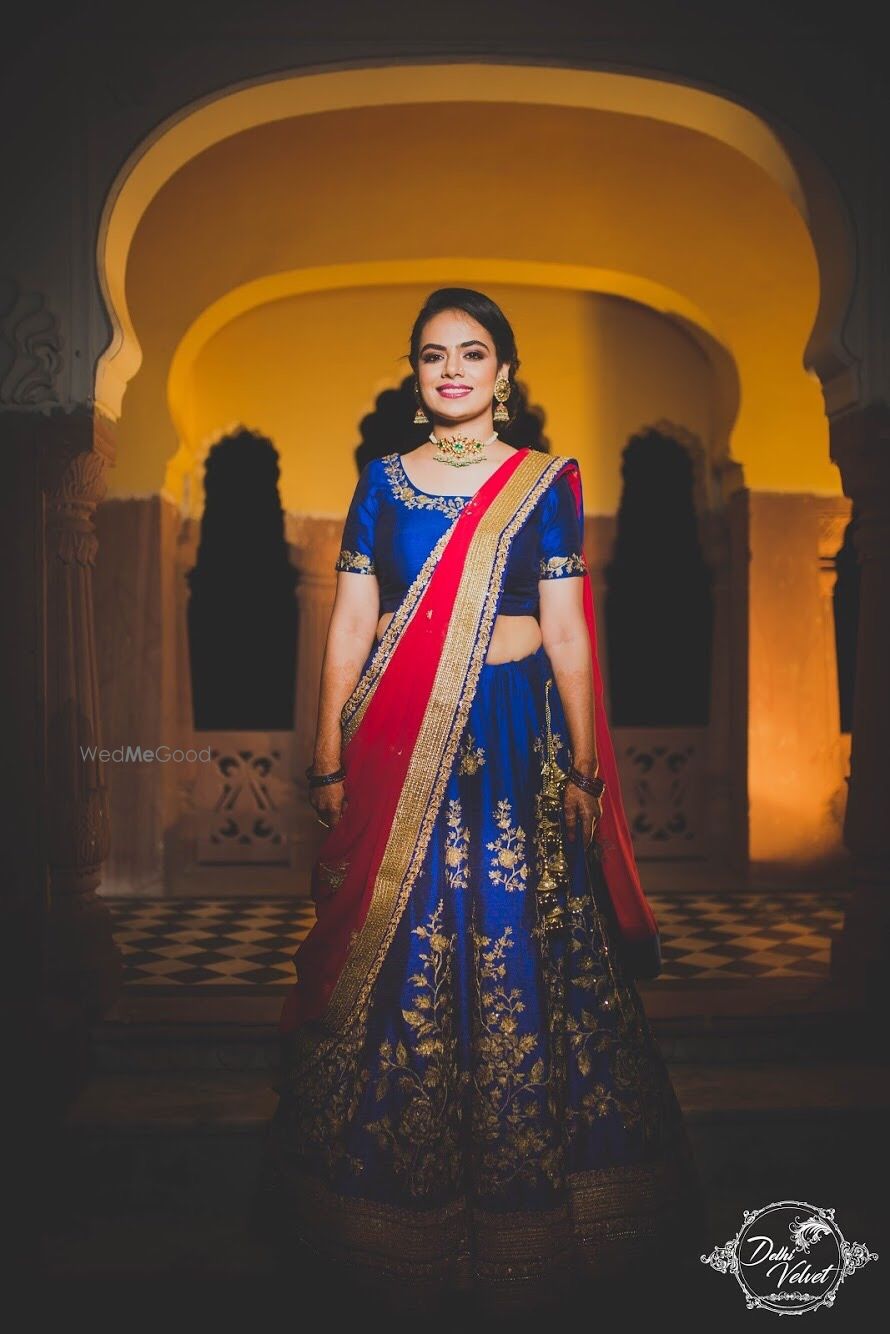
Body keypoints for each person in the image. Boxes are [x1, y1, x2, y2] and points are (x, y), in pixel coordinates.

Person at [261, 288, 706, 1316]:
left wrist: (586, 770)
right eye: (432, 355)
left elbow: (564, 632)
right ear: (416, 378)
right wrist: (324, 753)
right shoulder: (379, 483)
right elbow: (350, 625)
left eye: (471, 353)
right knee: (405, 940)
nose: (451, 369)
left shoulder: (542, 482)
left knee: (520, 938)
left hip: (511, 740)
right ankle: (379, 1195)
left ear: (504, 372)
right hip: (395, 744)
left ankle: (539, 1202)